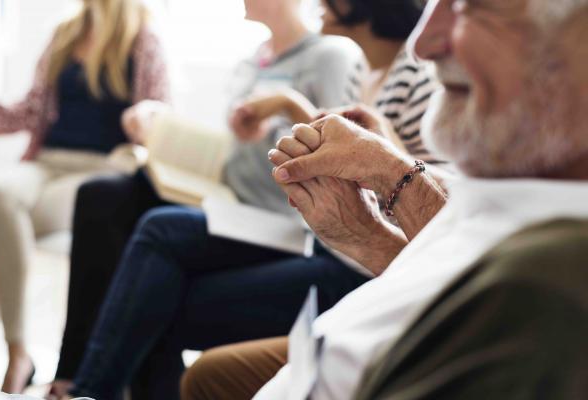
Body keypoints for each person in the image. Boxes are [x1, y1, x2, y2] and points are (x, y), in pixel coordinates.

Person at [179, 0, 588, 398]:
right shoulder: (514, 176)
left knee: (168, 254)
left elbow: (477, 295)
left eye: (470, 6)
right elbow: (448, 273)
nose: (421, 43)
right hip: (327, 333)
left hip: (334, 315)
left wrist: (386, 167)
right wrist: (364, 234)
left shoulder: (551, 270)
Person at [53, 0, 364, 399]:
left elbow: (343, 148)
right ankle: (80, 375)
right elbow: (233, 150)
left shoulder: (330, 55)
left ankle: (92, 389)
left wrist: (284, 107)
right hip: (231, 199)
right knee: (106, 197)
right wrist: (159, 126)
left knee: (158, 238)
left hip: (283, 220)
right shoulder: (250, 63)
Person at [0, 0, 169, 393]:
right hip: (48, 159)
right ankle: (18, 348)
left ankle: (42, 362)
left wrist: (146, 117)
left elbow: (161, 113)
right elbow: (31, 109)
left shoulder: (144, 37)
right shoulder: (64, 33)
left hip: (101, 170)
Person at [236, 0, 443, 164]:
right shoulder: (361, 68)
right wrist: (286, 103)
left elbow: (429, 193)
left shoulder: (421, 77)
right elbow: (347, 146)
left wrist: (287, 103)